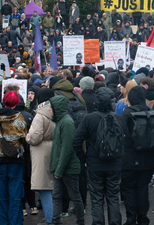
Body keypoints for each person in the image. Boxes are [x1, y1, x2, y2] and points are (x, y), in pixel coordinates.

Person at [73, 90, 129, 225]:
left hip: (94, 163)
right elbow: (126, 140)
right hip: (114, 163)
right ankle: (115, 222)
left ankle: (98, 222)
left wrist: (84, 158)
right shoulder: (118, 118)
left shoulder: (89, 118)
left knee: (96, 197)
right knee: (113, 196)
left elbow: (76, 140)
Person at [121, 85, 154, 225]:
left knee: (129, 190)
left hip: (129, 158)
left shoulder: (126, 113)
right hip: (146, 158)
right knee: (142, 189)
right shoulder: (150, 112)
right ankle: (143, 218)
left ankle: (131, 218)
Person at [0, 91, 27, 225]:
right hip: (14, 158)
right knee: (15, 193)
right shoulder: (18, 118)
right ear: (16, 103)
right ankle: (15, 221)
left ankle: (1, 222)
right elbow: (24, 136)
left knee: (0, 194)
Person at [49, 95, 85, 225]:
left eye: (50, 107)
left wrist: (58, 170)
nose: (49, 109)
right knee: (57, 196)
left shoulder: (66, 122)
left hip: (67, 168)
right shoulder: (61, 121)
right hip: (61, 166)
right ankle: (55, 221)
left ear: (56, 108)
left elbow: (67, 148)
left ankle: (80, 221)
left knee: (74, 195)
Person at [26, 89, 56, 225]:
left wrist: (27, 137)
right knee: (54, 186)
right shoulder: (56, 111)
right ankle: (56, 215)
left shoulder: (39, 115)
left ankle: (50, 218)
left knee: (44, 187)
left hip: (41, 152)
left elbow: (35, 136)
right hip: (54, 148)